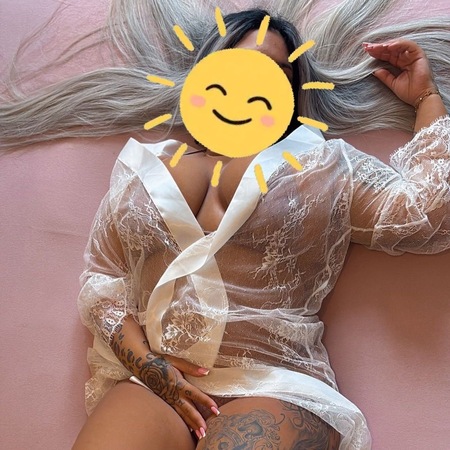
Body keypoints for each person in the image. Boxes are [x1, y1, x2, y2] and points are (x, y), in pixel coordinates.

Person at [1, 2, 449, 449]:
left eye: (274, 73)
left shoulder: (324, 163)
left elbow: (424, 216)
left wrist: (426, 98)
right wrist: (150, 367)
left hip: (275, 380)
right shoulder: (142, 164)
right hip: (157, 380)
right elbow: (103, 282)